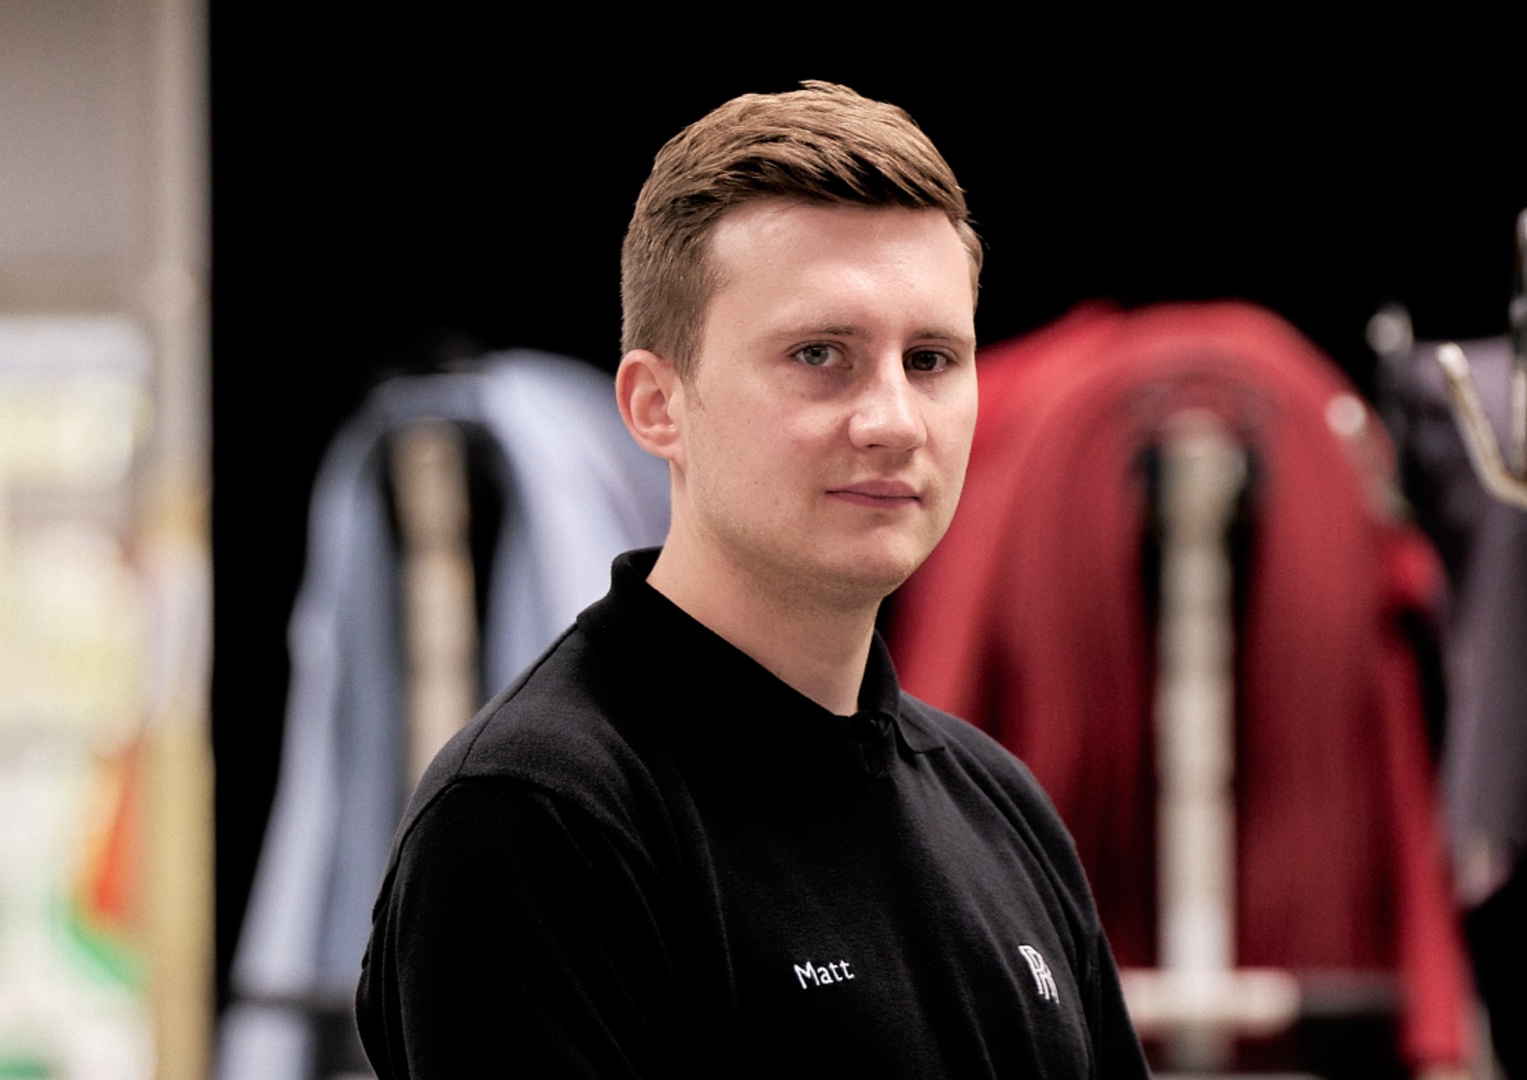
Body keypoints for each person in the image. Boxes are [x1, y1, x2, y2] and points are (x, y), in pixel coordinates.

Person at [356, 80, 1151, 1079]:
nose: (894, 421)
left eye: (933, 358)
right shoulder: (536, 822)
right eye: (821, 355)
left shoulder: (1004, 809)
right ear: (657, 406)